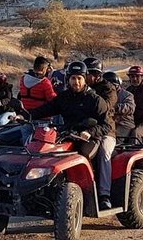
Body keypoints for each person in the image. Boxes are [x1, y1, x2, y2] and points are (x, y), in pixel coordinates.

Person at [28, 61, 111, 209]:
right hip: (68, 134)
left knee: (83, 156)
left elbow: (106, 125)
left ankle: (102, 194)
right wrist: (26, 115)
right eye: (73, 78)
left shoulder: (96, 100)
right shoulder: (64, 97)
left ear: (85, 79)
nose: (76, 82)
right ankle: (46, 189)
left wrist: (90, 132)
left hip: (90, 137)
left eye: (79, 78)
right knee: (49, 154)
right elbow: (46, 109)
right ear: (68, 79)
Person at [84, 58, 117, 209]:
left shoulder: (108, 89)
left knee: (104, 151)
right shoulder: (79, 88)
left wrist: (90, 93)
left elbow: (105, 107)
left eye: (88, 74)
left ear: (97, 74)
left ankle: (104, 195)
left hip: (106, 130)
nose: (85, 77)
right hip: (85, 129)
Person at [103, 71, 136, 140]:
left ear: (116, 85)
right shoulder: (103, 94)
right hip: (107, 123)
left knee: (114, 138)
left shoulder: (127, 95)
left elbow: (130, 108)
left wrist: (116, 108)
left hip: (124, 123)